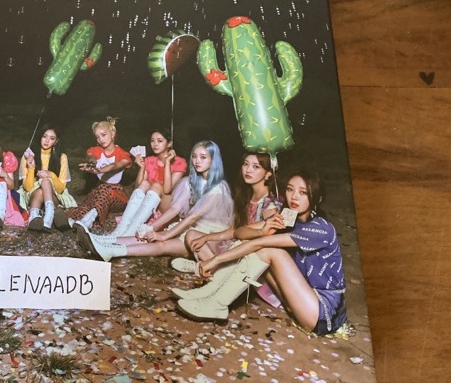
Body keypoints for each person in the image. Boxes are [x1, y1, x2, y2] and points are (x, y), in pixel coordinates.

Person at [172, 169, 347, 335]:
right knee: (252, 241)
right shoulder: (288, 217)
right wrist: (262, 230)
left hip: (323, 314)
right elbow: (240, 233)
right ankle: (210, 292)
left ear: (317, 198)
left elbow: (261, 244)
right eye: (290, 189)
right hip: (296, 300)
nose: (294, 197)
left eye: (303, 192)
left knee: (270, 250)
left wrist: (216, 260)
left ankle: (218, 304)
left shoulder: (321, 228)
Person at [77, 140, 232, 262]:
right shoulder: (190, 182)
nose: (197, 161)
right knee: (149, 236)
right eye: (194, 156)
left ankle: (111, 251)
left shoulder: (218, 188)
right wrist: (151, 228)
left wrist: (164, 235)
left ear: (213, 160)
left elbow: (193, 217)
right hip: (190, 229)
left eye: (203, 157)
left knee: (162, 244)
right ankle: (103, 241)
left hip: (209, 238)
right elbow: (175, 209)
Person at [54, 116, 132, 232]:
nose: (101, 139)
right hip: (100, 190)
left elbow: (114, 165)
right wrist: (91, 164)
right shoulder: (96, 150)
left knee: (105, 189)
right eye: (97, 137)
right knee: (90, 199)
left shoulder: (123, 154)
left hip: (117, 196)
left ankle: (89, 221)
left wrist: (100, 170)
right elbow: (92, 157)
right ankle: (71, 221)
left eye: (103, 135)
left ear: (112, 133)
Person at [109, 127, 187, 238]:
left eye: (160, 141)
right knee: (145, 183)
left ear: (169, 144)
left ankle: (130, 232)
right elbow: (138, 187)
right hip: (149, 205)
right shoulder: (149, 160)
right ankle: (120, 230)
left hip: (168, 206)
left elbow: (167, 190)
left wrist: (167, 163)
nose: (155, 144)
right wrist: (142, 168)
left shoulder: (179, 162)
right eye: (152, 141)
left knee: (156, 185)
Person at [19, 124, 76, 233]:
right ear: (40, 137)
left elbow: (60, 189)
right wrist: (31, 168)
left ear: (56, 141)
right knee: (40, 192)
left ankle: (46, 214)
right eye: (44, 136)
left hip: (54, 195)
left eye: (51, 138)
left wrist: (51, 175)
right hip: (32, 194)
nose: (47, 141)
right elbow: (28, 187)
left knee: (45, 180)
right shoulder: (28, 156)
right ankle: (37, 217)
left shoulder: (62, 157)